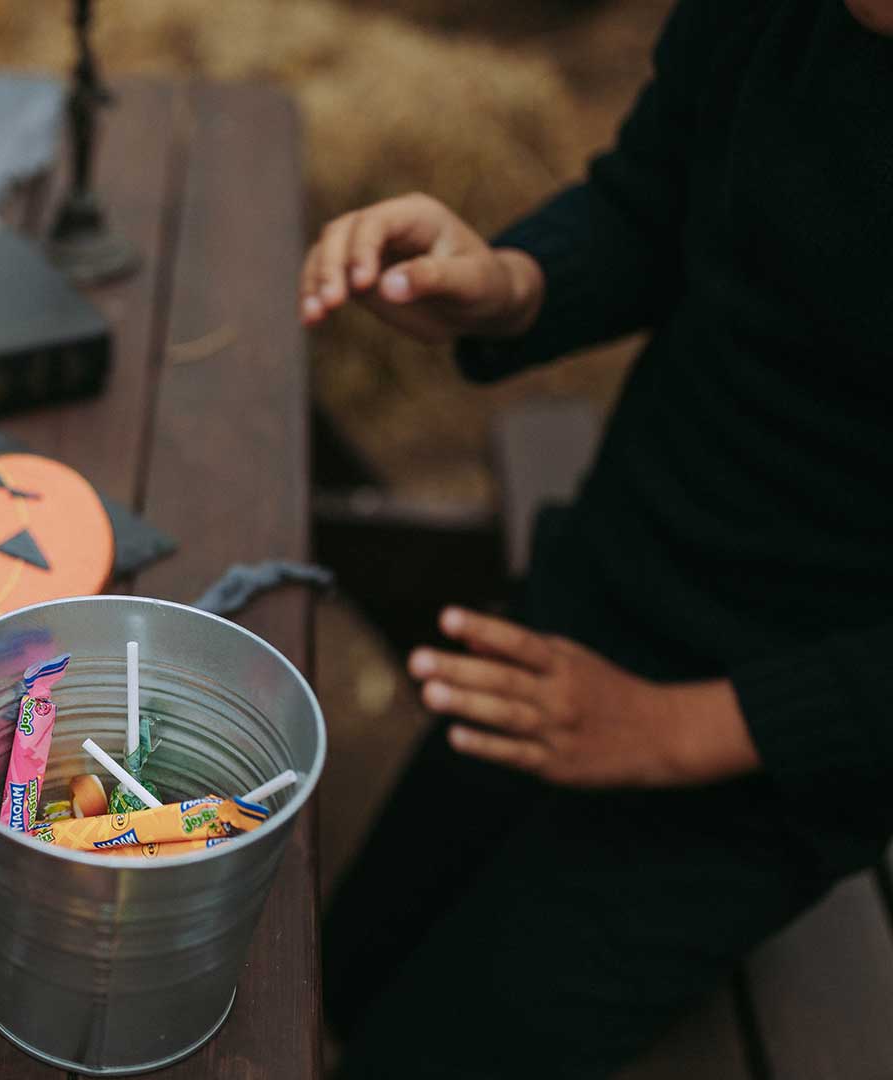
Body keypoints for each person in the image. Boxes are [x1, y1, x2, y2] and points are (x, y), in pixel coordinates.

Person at [302, 1, 893, 1076]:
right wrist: (511, 285)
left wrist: (674, 730)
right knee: (340, 972)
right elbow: (654, 199)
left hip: (790, 747)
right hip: (606, 589)